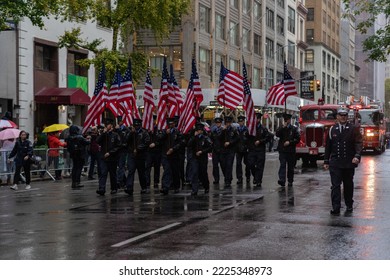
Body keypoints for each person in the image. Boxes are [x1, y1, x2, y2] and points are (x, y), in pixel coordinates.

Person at [324, 107, 363, 215]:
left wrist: (357, 156)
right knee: (335, 186)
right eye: (341, 115)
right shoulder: (332, 129)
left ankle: (349, 204)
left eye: (345, 115)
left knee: (348, 185)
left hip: (348, 162)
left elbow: (358, 143)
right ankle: (336, 207)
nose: (343, 117)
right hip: (335, 162)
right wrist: (326, 161)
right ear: (337, 117)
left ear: (347, 117)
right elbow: (328, 146)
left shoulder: (353, 128)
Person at [123, 118, 150, 196]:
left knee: (141, 173)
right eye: (135, 125)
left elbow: (147, 142)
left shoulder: (144, 133)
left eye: (137, 125)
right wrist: (131, 133)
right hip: (132, 155)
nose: (136, 126)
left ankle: (144, 187)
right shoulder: (131, 133)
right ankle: (129, 188)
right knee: (131, 171)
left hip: (141, 155)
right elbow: (126, 141)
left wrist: (138, 148)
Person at [158, 118, 185, 195]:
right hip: (165, 154)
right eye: (169, 124)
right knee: (167, 170)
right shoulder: (164, 132)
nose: (171, 125)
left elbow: (182, 142)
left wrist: (173, 149)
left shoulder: (178, 132)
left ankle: (176, 186)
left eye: (172, 124)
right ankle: (165, 187)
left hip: (174, 154)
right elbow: (159, 139)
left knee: (175, 171)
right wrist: (165, 134)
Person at [96, 119, 121, 196]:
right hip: (104, 158)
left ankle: (114, 188)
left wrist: (110, 153)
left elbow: (118, 146)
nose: (107, 126)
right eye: (106, 125)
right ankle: (102, 188)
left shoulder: (115, 135)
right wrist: (103, 133)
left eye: (109, 124)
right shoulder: (104, 134)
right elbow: (97, 141)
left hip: (112, 157)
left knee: (113, 174)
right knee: (103, 173)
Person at [275, 113, 300, 188]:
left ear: (290, 120)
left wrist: (290, 142)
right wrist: (283, 127)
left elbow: (298, 139)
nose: (286, 121)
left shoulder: (294, 129)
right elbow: (277, 134)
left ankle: (290, 180)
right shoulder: (281, 128)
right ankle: (282, 180)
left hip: (290, 151)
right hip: (282, 150)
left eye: (287, 120)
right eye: (285, 120)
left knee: (290, 167)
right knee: (282, 165)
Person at [187, 122, 212, 196]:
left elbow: (210, 147)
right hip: (195, 158)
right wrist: (193, 137)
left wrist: (202, 151)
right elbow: (189, 145)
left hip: (203, 158)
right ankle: (194, 190)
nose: (199, 132)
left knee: (202, 173)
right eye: (197, 130)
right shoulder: (193, 138)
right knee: (194, 173)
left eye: (200, 130)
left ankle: (206, 186)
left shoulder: (205, 138)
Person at [247, 113, 271, 188]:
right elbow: (246, 137)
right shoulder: (250, 128)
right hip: (252, 149)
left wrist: (260, 141)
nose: (256, 120)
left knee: (260, 166)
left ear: (259, 119)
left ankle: (258, 181)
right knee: (251, 164)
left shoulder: (263, 128)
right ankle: (255, 176)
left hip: (260, 150)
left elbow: (268, 138)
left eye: (257, 119)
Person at [219, 116, 238, 187]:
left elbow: (237, 139)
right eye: (227, 122)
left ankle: (227, 180)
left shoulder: (234, 130)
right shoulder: (222, 129)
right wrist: (223, 131)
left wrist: (230, 142)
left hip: (231, 150)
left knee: (229, 165)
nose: (228, 124)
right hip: (223, 150)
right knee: (223, 164)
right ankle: (228, 176)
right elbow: (218, 138)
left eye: (229, 122)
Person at [145, 116, 162, 190]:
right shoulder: (147, 130)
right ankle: (147, 181)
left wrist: (155, 144)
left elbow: (161, 139)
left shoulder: (158, 129)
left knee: (157, 167)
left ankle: (156, 181)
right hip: (149, 151)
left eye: (153, 120)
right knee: (147, 167)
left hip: (157, 151)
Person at [235, 116, 250, 184]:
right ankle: (239, 178)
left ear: (244, 122)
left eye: (242, 121)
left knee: (247, 164)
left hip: (246, 149)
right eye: (239, 122)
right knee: (238, 164)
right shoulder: (236, 130)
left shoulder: (247, 129)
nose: (241, 123)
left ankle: (248, 176)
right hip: (238, 149)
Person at [210, 117, 224, 185]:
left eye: (219, 123)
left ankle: (226, 177)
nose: (218, 124)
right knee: (215, 166)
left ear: (221, 123)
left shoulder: (223, 130)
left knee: (223, 165)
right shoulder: (213, 131)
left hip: (222, 150)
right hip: (215, 150)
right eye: (217, 123)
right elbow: (211, 140)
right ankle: (216, 179)